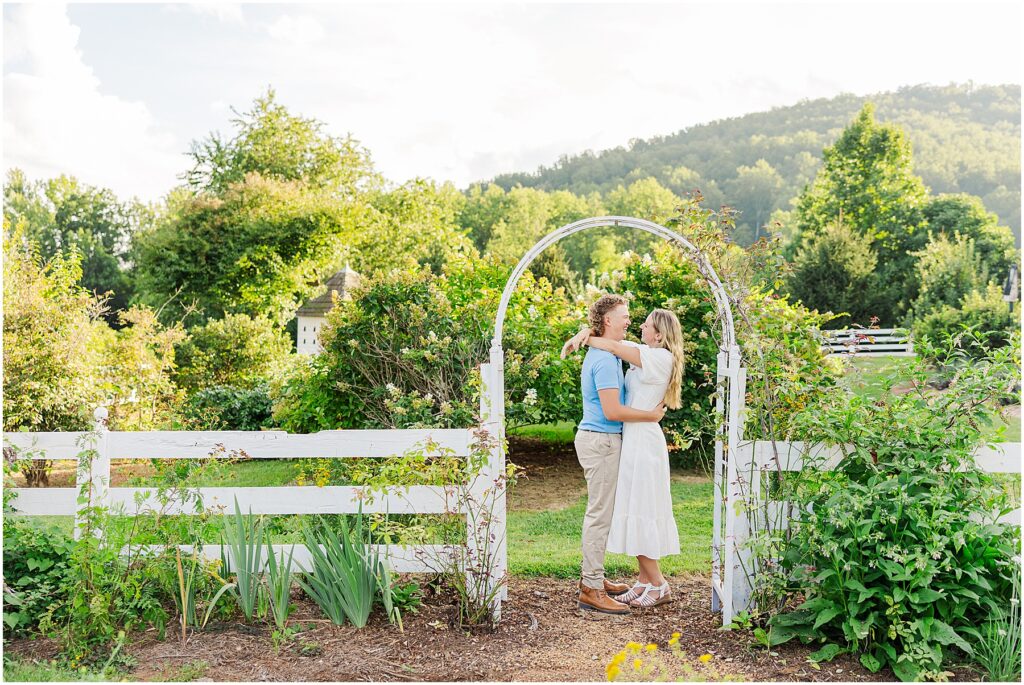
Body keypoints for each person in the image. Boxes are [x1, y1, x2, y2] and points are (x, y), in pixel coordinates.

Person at [563, 307, 684, 608]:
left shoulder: (660, 357)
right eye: (631, 319)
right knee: (634, 507)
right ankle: (644, 581)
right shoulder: (645, 350)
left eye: (646, 324)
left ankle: (657, 584)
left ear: (659, 333)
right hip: (631, 436)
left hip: (642, 438)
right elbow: (612, 344)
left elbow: (614, 346)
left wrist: (586, 337)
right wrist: (585, 333)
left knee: (640, 507)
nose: (637, 325)